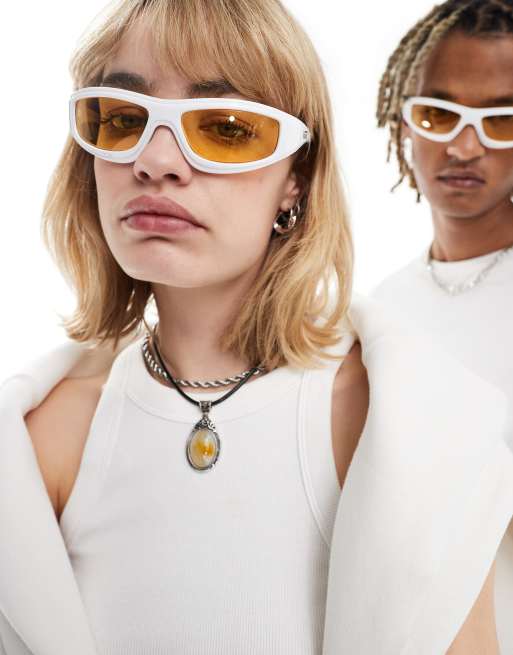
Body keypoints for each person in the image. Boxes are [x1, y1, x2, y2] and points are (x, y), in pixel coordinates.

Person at [0, 1, 512, 654]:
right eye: (124, 119)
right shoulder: (39, 445)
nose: (156, 161)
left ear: (296, 178)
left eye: (224, 128)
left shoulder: (406, 426)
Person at [372, 0, 513, 651]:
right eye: (438, 114)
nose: (463, 145)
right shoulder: (379, 314)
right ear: (403, 121)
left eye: (500, 120)